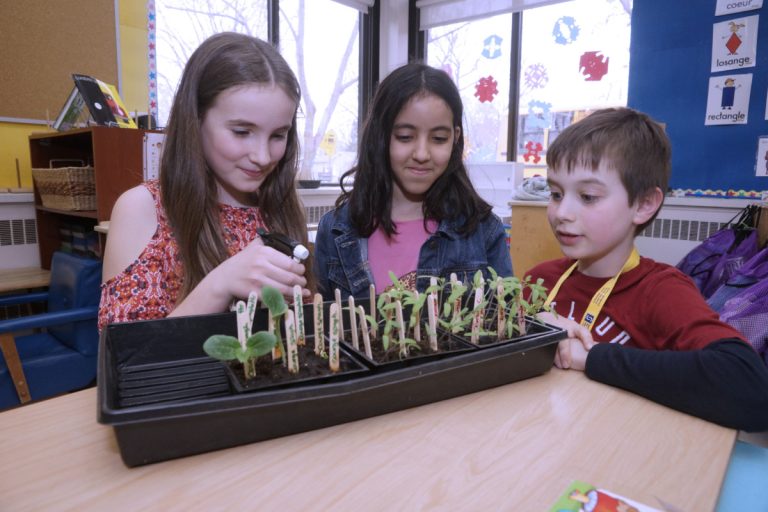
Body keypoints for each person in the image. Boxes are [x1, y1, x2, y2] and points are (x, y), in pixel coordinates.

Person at [526, 107, 768, 432]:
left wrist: (592, 357)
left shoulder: (662, 291)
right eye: (555, 193)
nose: (562, 212)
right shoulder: (540, 279)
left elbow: (750, 389)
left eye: (588, 196)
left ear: (643, 205)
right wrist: (531, 327)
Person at [99, 32, 311, 330]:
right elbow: (125, 359)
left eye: (278, 135)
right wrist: (220, 285)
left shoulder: (282, 208)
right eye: (241, 131)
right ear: (195, 120)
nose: (263, 156)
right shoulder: (143, 209)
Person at [313, 63, 512, 301]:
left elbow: (508, 318)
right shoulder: (335, 230)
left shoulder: (484, 231)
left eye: (438, 139)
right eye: (405, 137)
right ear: (381, 135)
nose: (421, 153)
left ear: (455, 138)